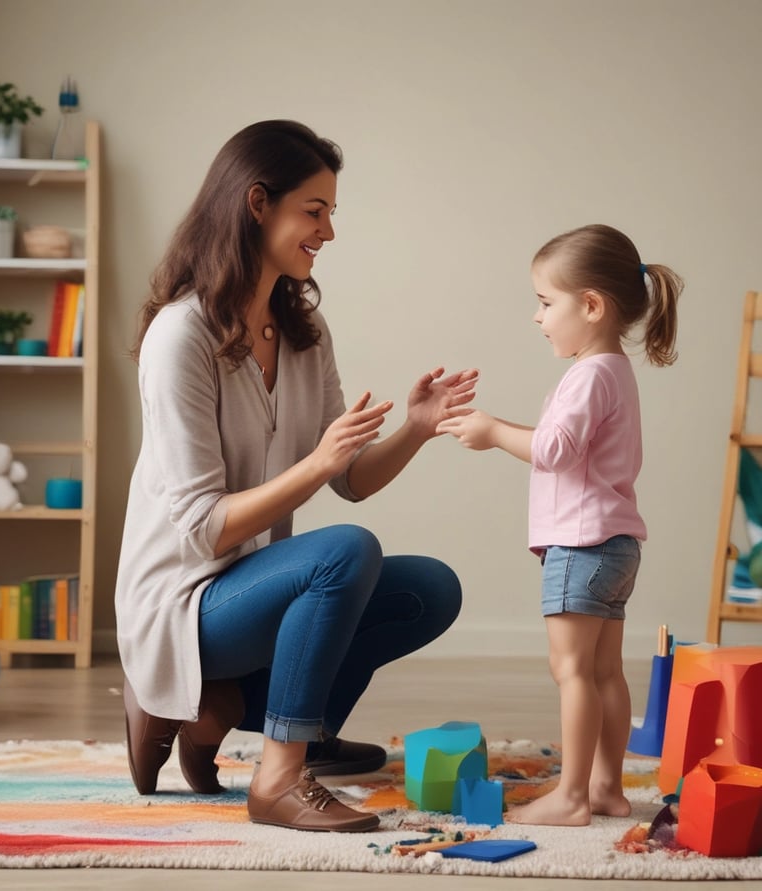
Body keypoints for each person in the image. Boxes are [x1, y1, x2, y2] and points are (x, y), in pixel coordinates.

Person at [114, 120, 478, 833]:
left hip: (249, 588)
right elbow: (203, 526)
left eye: (331, 213)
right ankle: (276, 774)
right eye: (315, 211)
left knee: (429, 587)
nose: (328, 232)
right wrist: (315, 464)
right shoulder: (179, 337)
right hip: (184, 600)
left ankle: (270, 721)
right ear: (257, 203)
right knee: (346, 551)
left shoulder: (304, 332)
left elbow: (353, 480)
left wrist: (415, 426)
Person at [437, 224, 682, 826]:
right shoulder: (612, 371)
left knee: (571, 670)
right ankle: (605, 787)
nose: (537, 316)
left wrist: (494, 433)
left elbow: (555, 451)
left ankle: (571, 797)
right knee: (603, 672)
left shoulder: (589, 374)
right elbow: (570, 446)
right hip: (617, 545)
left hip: (582, 546)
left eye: (546, 302)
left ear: (591, 305)